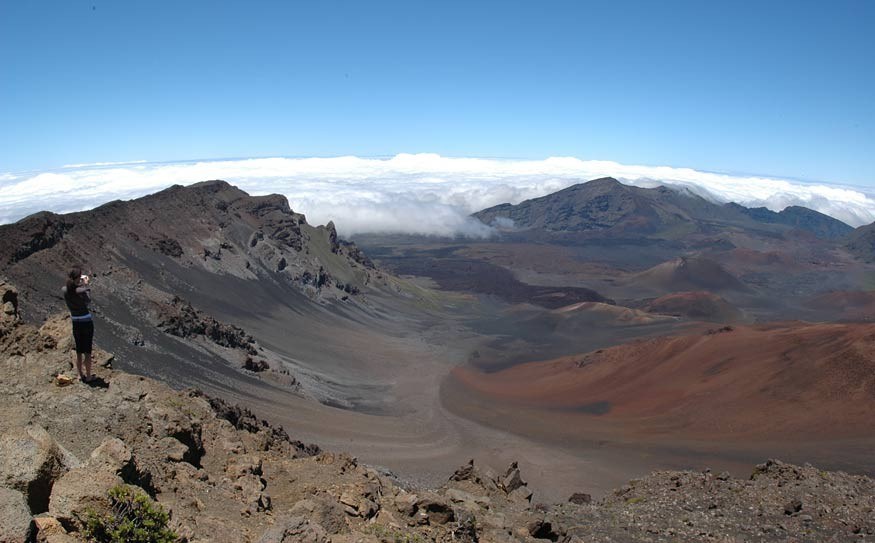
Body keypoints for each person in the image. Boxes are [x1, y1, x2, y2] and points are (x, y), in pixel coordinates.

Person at [62, 267, 94, 382]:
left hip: (75, 322)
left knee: (79, 351)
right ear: (78, 278)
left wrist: (78, 283)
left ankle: (80, 375)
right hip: (86, 321)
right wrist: (86, 285)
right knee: (87, 351)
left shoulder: (64, 290)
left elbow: (71, 288)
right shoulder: (81, 290)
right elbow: (88, 301)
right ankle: (89, 376)